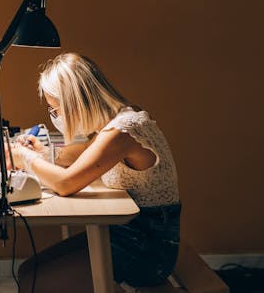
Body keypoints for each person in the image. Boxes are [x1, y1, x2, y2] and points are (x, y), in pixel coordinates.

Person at [10, 53, 181, 292]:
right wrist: (43, 153)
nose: (55, 117)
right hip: (125, 234)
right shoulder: (117, 121)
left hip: (147, 250)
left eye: (56, 110)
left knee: (34, 282)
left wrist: (25, 158)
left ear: (75, 103)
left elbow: (65, 184)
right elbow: (79, 154)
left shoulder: (123, 130)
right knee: (27, 271)